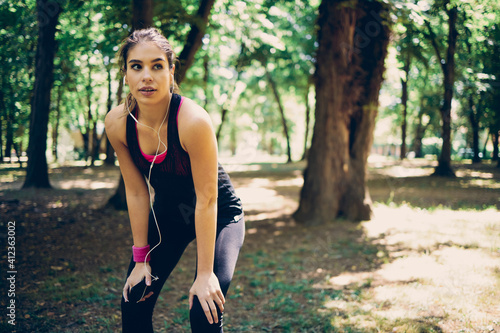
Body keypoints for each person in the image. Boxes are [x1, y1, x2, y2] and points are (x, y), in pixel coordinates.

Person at [105, 27, 245, 333]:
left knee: (203, 310)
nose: (147, 76)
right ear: (125, 74)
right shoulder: (117, 123)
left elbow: (208, 200)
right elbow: (137, 192)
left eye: (157, 66)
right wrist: (141, 259)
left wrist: (205, 274)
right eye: (136, 66)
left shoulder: (192, 122)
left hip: (219, 215)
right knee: (134, 301)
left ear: (171, 72)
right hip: (170, 216)